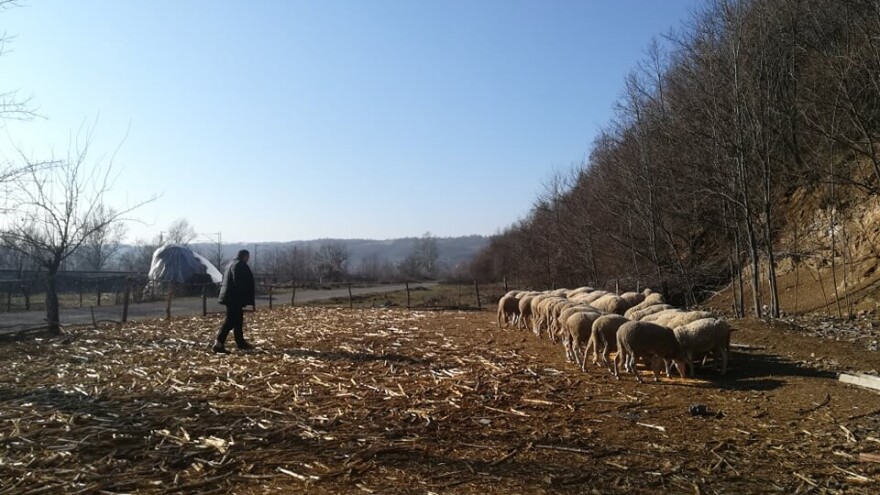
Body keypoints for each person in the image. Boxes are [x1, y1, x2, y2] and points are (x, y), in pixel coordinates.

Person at [212, 249, 256, 353]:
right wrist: (243, 294)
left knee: (238, 320)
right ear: (244, 256)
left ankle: (240, 342)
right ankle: (218, 343)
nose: (248, 259)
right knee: (230, 320)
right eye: (247, 257)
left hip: (230, 297)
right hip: (234, 297)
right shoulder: (240, 265)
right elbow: (239, 282)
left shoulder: (230, 264)